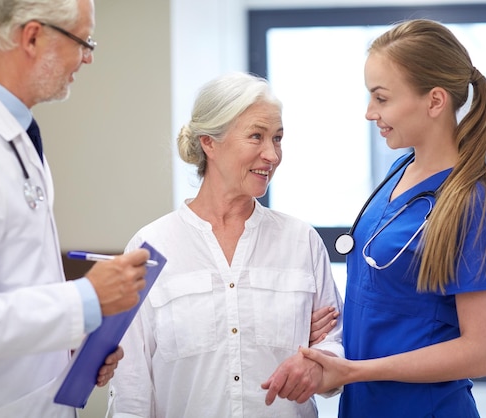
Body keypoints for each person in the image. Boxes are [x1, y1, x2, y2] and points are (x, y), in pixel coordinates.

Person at [264, 19, 486, 417]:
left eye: (381, 98)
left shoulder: (474, 202)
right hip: (364, 404)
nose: (369, 113)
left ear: (435, 101)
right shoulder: (400, 170)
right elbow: (387, 298)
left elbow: (482, 354)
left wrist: (355, 370)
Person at [0, 1, 151, 416]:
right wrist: (85, 299)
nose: (88, 57)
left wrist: (70, 337)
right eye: (84, 41)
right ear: (34, 36)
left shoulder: (10, 130)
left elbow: (14, 282)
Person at [107, 72, 344, 418]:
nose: (272, 155)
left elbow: (333, 344)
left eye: (277, 139)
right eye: (256, 137)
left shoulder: (301, 241)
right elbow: (131, 386)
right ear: (209, 143)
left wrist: (319, 365)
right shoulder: (150, 247)